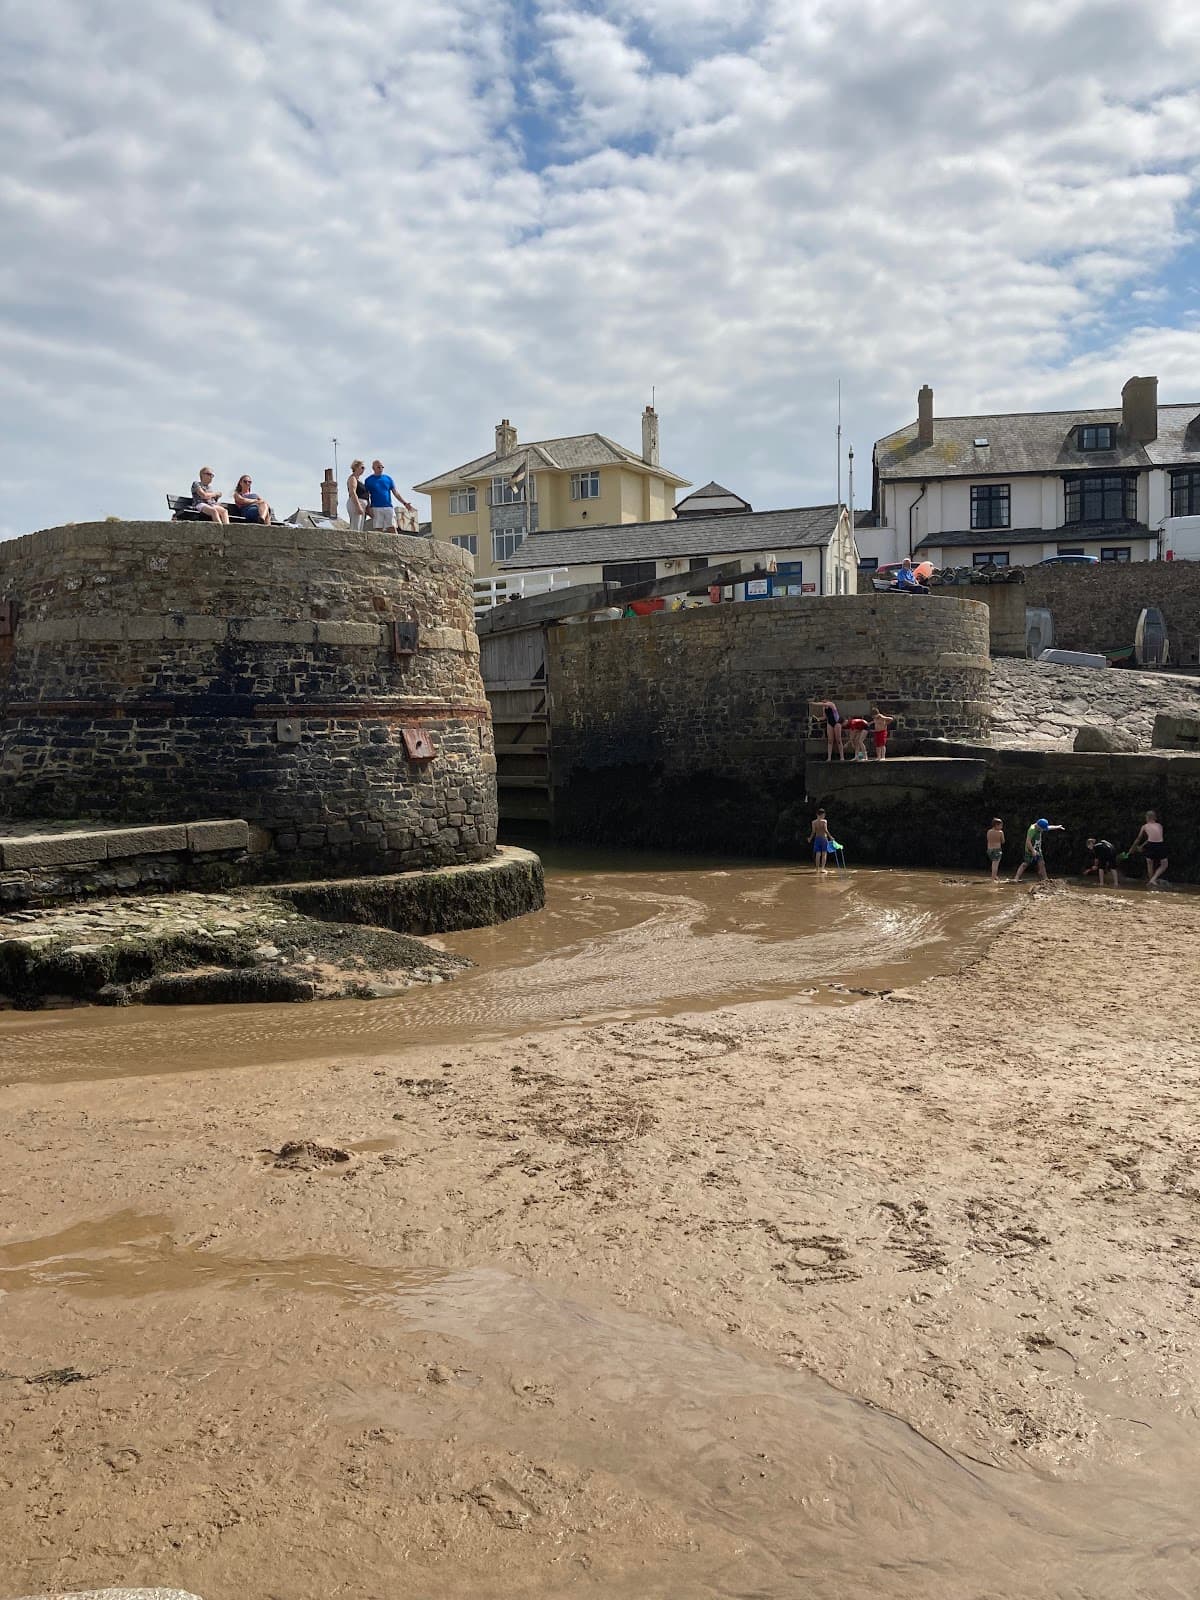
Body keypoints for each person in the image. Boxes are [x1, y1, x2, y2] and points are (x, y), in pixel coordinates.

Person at [362, 459, 416, 532]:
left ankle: (396, 543)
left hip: (388, 507)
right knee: (378, 530)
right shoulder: (368, 480)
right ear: (373, 468)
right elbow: (366, 495)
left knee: (392, 527)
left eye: (382, 467)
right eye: (378, 467)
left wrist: (405, 503)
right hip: (376, 507)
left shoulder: (388, 479)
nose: (381, 469)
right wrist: (368, 508)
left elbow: (396, 493)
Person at [1013, 817, 1065, 882]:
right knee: (1025, 864)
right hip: (1029, 849)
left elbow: (1049, 827)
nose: (1043, 830)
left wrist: (1058, 827)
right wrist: (1032, 850)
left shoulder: (1040, 827)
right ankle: (1016, 878)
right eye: (1042, 829)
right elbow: (1028, 842)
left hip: (1038, 849)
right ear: (1038, 826)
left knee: (1042, 863)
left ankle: (1045, 879)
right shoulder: (1032, 829)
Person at [1130, 811, 1168, 888]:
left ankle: (1151, 880)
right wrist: (1141, 846)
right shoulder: (1159, 826)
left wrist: (1132, 848)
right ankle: (1152, 880)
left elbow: (1138, 839)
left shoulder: (1144, 826)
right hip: (1159, 844)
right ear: (1155, 818)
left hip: (1151, 845)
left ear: (1147, 818)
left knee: (1150, 863)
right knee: (1164, 864)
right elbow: (1154, 837)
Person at [345, 460, 368, 531]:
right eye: (362, 467)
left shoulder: (359, 480)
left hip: (361, 505)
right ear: (356, 467)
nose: (364, 469)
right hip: (356, 503)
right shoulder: (352, 478)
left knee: (360, 528)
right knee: (356, 527)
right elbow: (352, 492)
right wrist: (358, 506)